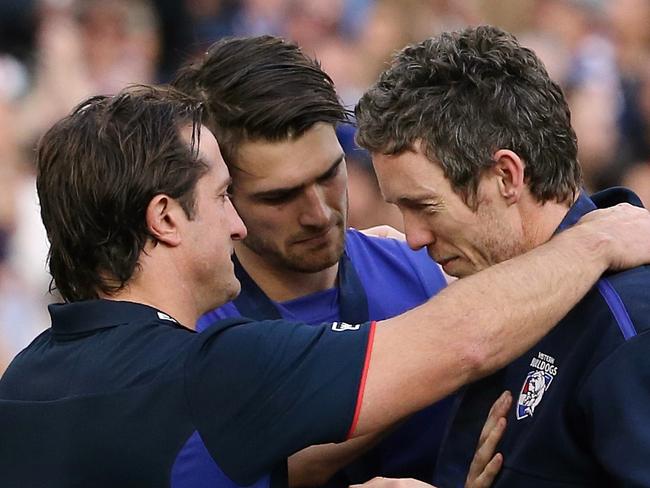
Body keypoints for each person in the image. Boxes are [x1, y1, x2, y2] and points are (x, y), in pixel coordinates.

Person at [1, 87, 649, 488]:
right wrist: (593, 240)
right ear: (166, 218)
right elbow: (464, 341)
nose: (237, 224)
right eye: (226, 196)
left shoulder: (22, 384)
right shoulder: (215, 371)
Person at [355, 25, 650, 487]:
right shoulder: (489, 296)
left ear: (508, 176)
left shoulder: (628, 323)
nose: (412, 237)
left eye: (424, 206)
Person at [172, 35, 453, 487]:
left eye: (328, 174)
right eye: (279, 197)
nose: (319, 214)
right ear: (224, 194)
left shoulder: (424, 273)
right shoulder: (188, 336)